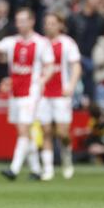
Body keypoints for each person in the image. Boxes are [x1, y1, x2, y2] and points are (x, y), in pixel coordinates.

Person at [0, 8, 54, 181]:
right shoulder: (12, 41)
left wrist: (42, 80)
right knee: (24, 132)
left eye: (23, 20)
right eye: (18, 20)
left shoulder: (41, 43)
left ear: (32, 21)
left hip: (31, 94)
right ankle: (36, 169)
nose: (20, 24)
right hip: (15, 93)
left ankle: (14, 169)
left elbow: (50, 66)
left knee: (24, 130)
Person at [38, 13, 82, 181]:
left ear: (60, 25)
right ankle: (48, 169)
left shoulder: (67, 43)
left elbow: (76, 66)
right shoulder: (40, 43)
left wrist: (71, 85)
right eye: (46, 23)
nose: (49, 26)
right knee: (46, 131)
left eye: (52, 23)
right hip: (43, 94)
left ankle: (66, 157)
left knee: (62, 132)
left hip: (61, 93)